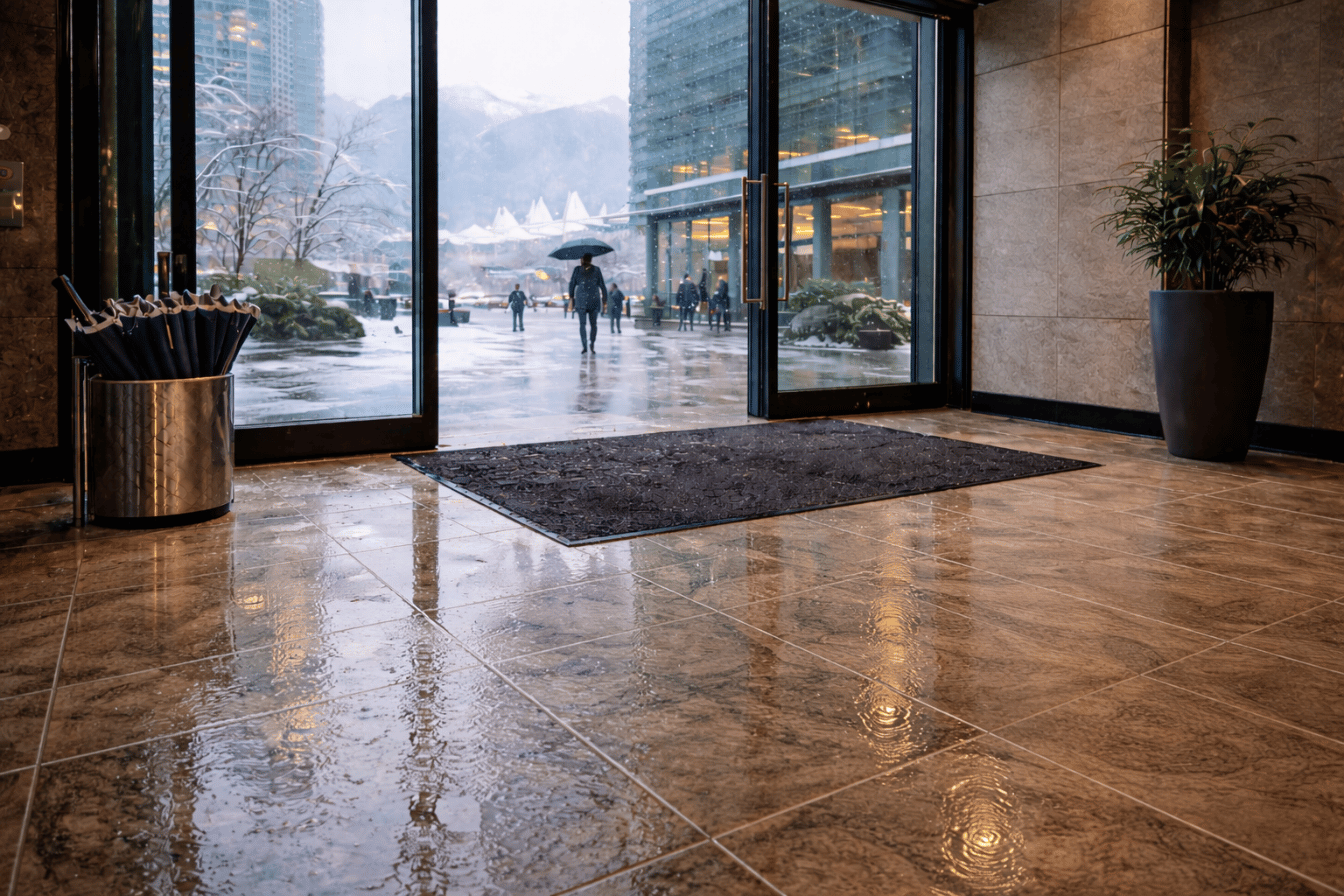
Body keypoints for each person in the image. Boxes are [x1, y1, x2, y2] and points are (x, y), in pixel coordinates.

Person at [568, 252, 607, 354]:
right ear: (591, 259)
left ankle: (584, 345)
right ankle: (592, 344)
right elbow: (602, 286)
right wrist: (604, 301)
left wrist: (571, 297)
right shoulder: (597, 270)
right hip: (594, 299)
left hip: (581, 300)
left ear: (582, 259)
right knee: (594, 324)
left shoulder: (577, 270)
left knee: (582, 324)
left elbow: (572, 284)